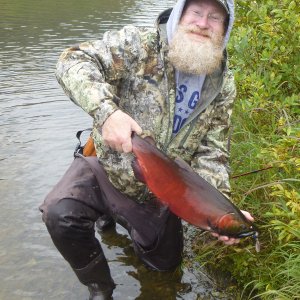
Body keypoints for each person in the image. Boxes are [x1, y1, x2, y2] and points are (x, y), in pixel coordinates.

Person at [40, 0, 254, 299]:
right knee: (60, 212)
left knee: (164, 269)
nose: (203, 23)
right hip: (107, 168)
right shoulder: (137, 45)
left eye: (214, 18)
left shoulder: (223, 84)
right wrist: (107, 113)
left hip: (163, 193)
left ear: (225, 29)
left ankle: (133, 248)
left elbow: (212, 150)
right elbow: (72, 61)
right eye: (195, 12)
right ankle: (100, 287)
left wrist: (219, 208)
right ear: (180, 15)